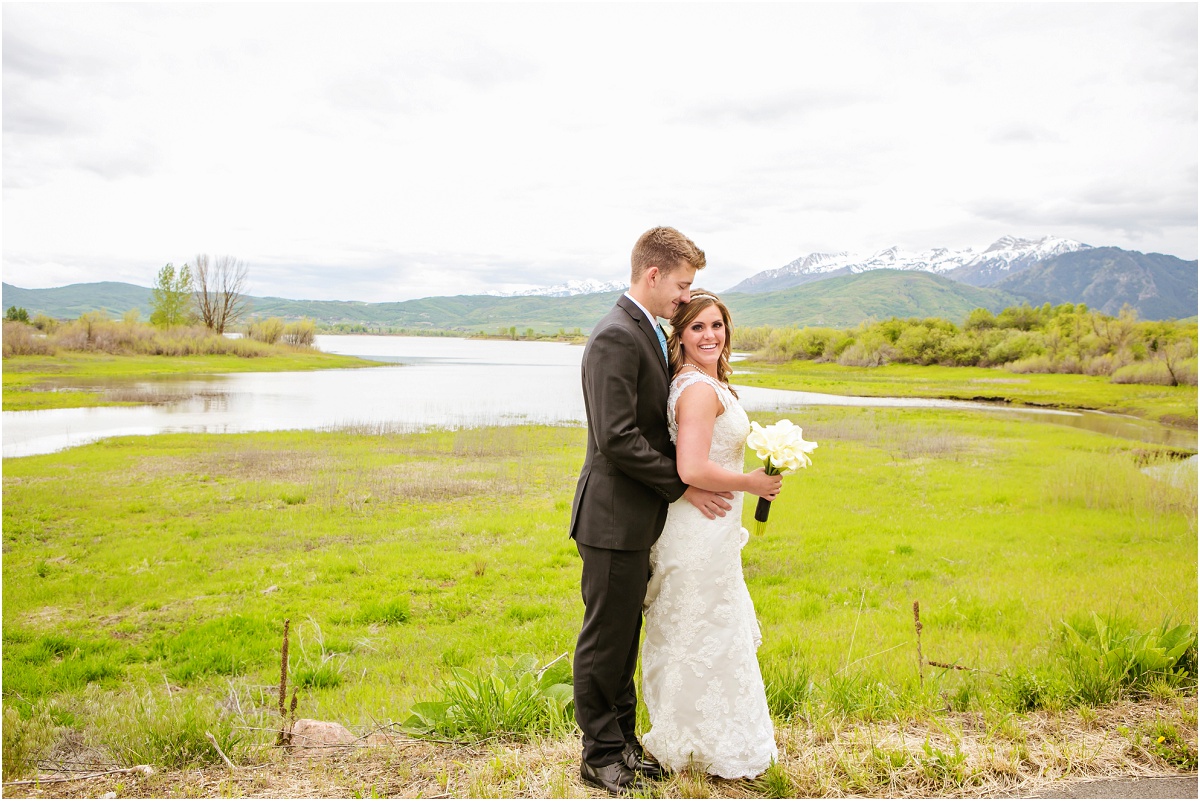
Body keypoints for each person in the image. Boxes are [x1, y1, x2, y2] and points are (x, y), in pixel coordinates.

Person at [569, 227, 737, 795]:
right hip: (612, 517)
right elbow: (616, 437)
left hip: (636, 516)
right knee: (604, 639)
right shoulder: (616, 335)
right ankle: (599, 755)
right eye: (682, 286)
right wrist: (684, 484)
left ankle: (624, 743)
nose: (685, 299)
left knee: (624, 637)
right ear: (653, 275)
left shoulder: (642, 330)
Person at [640, 289, 781, 779]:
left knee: (711, 628)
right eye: (697, 327)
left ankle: (715, 737)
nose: (709, 335)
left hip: (713, 526)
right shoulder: (698, 390)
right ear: (680, 336)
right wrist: (751, 481)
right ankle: (691, 741)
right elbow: (692, 465)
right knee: (696, 628)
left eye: (716, 325)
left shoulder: (705, 382)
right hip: (699, 531)